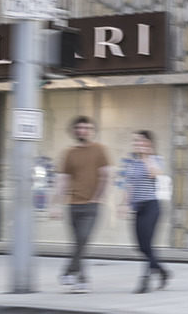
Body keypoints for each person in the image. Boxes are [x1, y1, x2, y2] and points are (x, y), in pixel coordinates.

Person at [50, 116, 112, 293]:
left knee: (82, 239)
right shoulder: (69, 153)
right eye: (79, 127)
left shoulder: (100, 150)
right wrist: (54, 204)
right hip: (72, 204)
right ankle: (82, 280)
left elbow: (106, 175)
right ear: (73, 130)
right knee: (78, 243)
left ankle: (69, 271)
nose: (82, 131)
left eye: (86, 128)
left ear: (91, 131)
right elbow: (63, 180)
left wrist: (98, 198)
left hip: (91, 205)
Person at [119, 130, 170, 294]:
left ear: (149, 143)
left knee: (148, 244)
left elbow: (154, 174)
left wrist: (147, 157)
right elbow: (129, 186)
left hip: (152, 206)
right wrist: (124, 204)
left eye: (142, 141)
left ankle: (145, 280)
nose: (138, 144)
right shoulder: (132, 163)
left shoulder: (156, 160)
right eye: (136, 141)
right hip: (137, 207)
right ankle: (162, 271)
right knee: (140, 246)